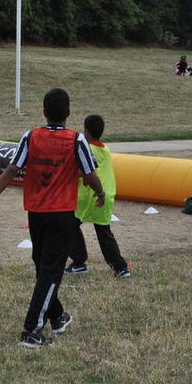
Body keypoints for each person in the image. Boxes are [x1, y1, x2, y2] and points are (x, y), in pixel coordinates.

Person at [0, 88, 105, 349]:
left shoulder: (31, 136)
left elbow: (13, 168)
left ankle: (58, 317)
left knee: (43, 267)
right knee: (49, 271)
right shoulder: (76, 141)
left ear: (44, 112)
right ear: (68, 115)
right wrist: (100, 191)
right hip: (61, 214)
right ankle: (31, 330)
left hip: (36, 214)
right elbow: (89, 173)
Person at [66, 114, 130, 277]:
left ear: (86, 131)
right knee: (104, 232)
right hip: (106, 195)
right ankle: (120, 267)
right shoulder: (105, 149)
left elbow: (83, 171)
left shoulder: (86, 148)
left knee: (69, 225)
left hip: (88, 196)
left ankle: (79, 261)